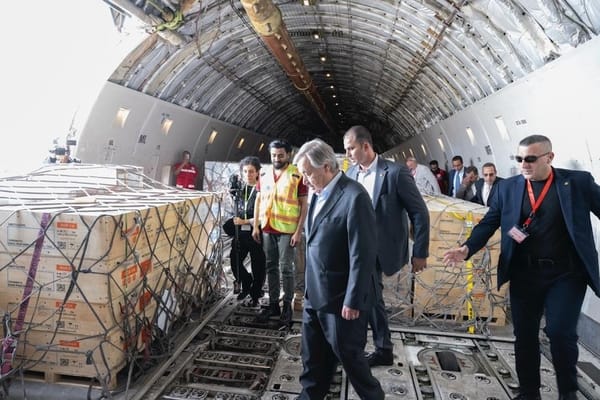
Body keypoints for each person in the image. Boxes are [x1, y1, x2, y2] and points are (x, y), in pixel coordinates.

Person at [443, 135, 600, 400]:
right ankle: (529, 392)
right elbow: (489, 222)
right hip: (525, 274)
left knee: (561, 333)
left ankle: (568, 393)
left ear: (549, 157)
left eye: (530, 158)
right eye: (519, 159)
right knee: (525, 336)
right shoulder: (509, 188)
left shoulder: (576, 183)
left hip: (566, 275)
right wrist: (467, 248)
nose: (523, 164)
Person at [293, 139, 384, 400]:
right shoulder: (316, 192)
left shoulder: (354, 197)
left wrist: (353, 299)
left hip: (340, 299)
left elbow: (362, 254)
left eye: (308, 174)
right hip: (314, 295)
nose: (305, 180)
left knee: (350, 359)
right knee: (312, 359)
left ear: (327, 167)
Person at [343, 125, 430, 367]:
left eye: (351, 148)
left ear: (366, 146)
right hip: (354, 248)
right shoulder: (350, 174)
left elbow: (419, 213)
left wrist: (420, 252)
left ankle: (369, 350)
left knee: (367, 295)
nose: (348, 154)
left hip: (379, 249)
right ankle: (380, 349)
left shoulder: (395, 172)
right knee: (371, 297)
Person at [252, 139, 308, 325]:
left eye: (280, 155)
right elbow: (259, 200)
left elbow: (303, 205)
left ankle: (287, 307)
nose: (277, 158)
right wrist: (255, 226)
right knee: (270, 267)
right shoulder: (264, 173)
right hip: (267, 227)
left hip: (287, 230)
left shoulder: (297, 174)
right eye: (274, 155)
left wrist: (299, 231)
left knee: (286, 268)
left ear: (288, 155)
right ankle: (273, 304)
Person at [227, 156, 266, 306]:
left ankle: (255, 295)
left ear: (257, 173)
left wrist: (246, 221)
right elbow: (237, 209)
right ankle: (246, 282)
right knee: (234, 260)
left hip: (256, 231)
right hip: (240, 233)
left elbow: (264, 214)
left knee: (258, 265)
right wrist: (232, 196)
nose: (248, 174)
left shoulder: (262, 190)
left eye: (251, 171)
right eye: (245, 171)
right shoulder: (239, 189)